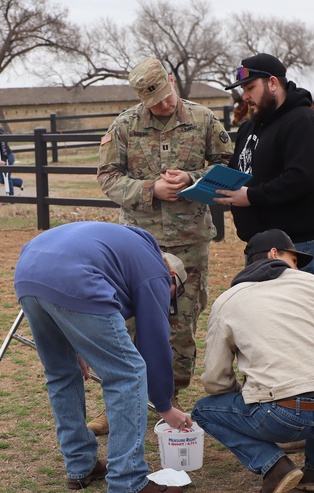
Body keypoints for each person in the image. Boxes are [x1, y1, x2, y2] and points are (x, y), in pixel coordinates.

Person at [94, 56, 233, 435]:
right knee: (128, 325)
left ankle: (168, 402)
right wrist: (149, 189)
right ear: (142, 99)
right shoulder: (124, 126)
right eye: (154, 102)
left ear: (172, 81)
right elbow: (107, 177)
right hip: (140, 245)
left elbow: (227, 167)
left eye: (167, 97)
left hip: (190, 242)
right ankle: (119, 403)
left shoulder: (203, 120)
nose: (164, 106)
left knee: (180, 324)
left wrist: (192, 176)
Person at [15, 221, 194, 493]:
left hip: (29, 273)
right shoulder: (156, 272)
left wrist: (77, 343)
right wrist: (164, 406)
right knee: (127, 373)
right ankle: (128, 481)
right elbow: (153, 342)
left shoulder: (123, 246)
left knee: (61, 373)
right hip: (74, 279)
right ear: (171, 276)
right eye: (173, 293)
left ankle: (80, 465)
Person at [190, 229, 314, 493]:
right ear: (275, 254)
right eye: (295, 258)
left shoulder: (228, 301)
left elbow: (215, 380)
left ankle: (275, 466)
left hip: (281, 416)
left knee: (203, 411)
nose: (298, 266)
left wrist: (246, 395)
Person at [218, 53, 314, 282]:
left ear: (272, 83)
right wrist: (203, 184)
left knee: (298, 316)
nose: (246, 97)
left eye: (250, 87)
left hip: (300, 247)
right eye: (243, 90)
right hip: (259, 246)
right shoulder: (249, 127)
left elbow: (302, 178)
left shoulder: (303, 122)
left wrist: (251, 196)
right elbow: (237, 171)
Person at [0, 119, 24, 195]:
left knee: (6, 177)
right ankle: (19, 182)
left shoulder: (0, 134)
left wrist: (4, 159)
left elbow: (4, 147)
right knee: (1, 180)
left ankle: (10, 197)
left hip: (7, 157)